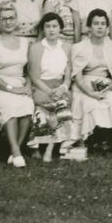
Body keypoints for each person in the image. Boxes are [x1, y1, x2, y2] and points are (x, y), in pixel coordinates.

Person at [0, 2, 34, 167]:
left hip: (19, 83)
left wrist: (26, 86)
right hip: (0, 87)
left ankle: (15, 149)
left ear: (16, 19)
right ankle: (16, 151)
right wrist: (11, 89)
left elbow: (29, 71)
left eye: (11, 18)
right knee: (11, 109)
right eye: (4, 18)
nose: (8, 22)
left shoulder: (25, 42)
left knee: (27, 108)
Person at [26, 12, 74, 162]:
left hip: (60, 87)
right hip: (42, 87)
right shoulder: (36, 48)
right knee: (43, 111)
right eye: (47, 26)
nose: (51, 30)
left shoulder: (67, 47)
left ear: (60, 28)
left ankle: (51, 147)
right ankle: (37, 147)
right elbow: (34, 76)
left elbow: (68, 75)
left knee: (62, 106)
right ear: (43, 29)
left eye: (55, 26)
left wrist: (64, 88)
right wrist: (49, 91)